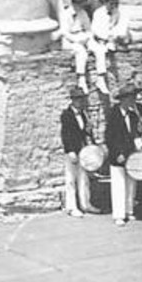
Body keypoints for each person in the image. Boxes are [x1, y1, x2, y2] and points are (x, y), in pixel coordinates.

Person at [105, 84, 142, 226]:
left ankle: (129, 211)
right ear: (123, 99)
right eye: (131, 98)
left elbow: (134, 135)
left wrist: (140, 138)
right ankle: (118, 214)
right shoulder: (113, 114)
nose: (133, 101)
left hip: (131, 154)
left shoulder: (133, 115)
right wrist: (118, 153)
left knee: (131, 184)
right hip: (118, 156)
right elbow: (109, 137)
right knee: (118, 184)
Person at [59, 88, 92, 217]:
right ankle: (71, 207)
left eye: (81, 99)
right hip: (72, 151)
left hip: (82, 150)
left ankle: (86, 204)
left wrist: (88, 131)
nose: (80, 101)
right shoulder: (66, 115)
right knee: (71, 179)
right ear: (72, 100)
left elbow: (83, 132)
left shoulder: (83, 114)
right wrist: (70, 151)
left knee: (84, 178)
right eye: (77, 99)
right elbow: (65, 135)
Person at [89, 0, 129, 92]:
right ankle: (101, 78)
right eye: (111, 4)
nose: (114, 6)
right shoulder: (98, 13)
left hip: (112, 40)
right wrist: (106, 37)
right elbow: (95, 30)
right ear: (106, 3)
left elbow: (122, 27)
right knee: (100, 51)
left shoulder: (119, 13)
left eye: (116, 4)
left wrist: (115, 35)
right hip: (98, 41)